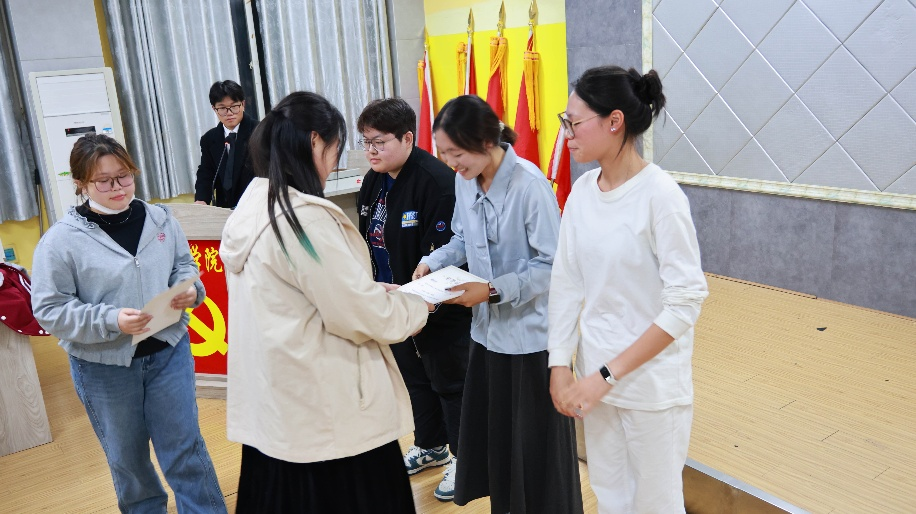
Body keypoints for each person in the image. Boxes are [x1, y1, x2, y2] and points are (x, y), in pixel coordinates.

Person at [220, 91, 433, 514]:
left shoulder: (254, 206)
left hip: (277, 405)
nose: (335, 163)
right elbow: (358, 313)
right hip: (327, 413)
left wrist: (367, 292)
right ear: (315, 141)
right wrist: (416, 304)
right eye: (337, 149)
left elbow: (307, 296)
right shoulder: (303, 221)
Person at [30, 134, 227, 513]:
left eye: (124, 176)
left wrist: (190, 290)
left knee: (185, 448)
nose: (118, 187)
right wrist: (112, 320)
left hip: (168, 352)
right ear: (81, 184)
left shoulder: (160, 219)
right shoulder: (60, 242)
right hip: (104, 367)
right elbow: (50, 309)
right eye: (104, 181)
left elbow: (184, 266)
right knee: (129, 461)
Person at [547, 66, 709, 514]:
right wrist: (560, 363)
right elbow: (566, 283)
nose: (567, 135)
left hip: (650, 388)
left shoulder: (661, 196)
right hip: (594, 383)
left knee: (656, 504)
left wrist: (605, 376)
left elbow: (685, 304)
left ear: (614, 122)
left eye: (574, 123)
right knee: (611, 496)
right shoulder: (582, 193)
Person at [414, 95, 584, 513]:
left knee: (536, 454)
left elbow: (552, 266)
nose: (450, 163)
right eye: (443, 153)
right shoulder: (464, 179)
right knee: (500, 449)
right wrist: (433, 261)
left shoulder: (530, 186)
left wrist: (491, 290)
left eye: (456, 152)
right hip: (486, 337)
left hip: (530, 342)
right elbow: (461, 238)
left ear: (487, 141)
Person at [355, 98, 472, 502]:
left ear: (408, 138)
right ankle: (431, 445)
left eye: (379, 142)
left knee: (450, 383)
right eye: (366, 141)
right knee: (415, 380)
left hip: (436, 307)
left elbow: (446, 253)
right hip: (392, 301)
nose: (371, 151)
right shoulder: (374, 180)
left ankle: (465, 458)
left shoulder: (436, 181)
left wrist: (422, 301)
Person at [194, 80, 257, 208]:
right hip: (225, 209)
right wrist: (201, 199)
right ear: (214, 109)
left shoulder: (260, 132)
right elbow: (206, 172)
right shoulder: (209, 139)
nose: (229, 113)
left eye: (234, 106)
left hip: (255, 205)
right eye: (222, 108)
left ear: (243, 104)